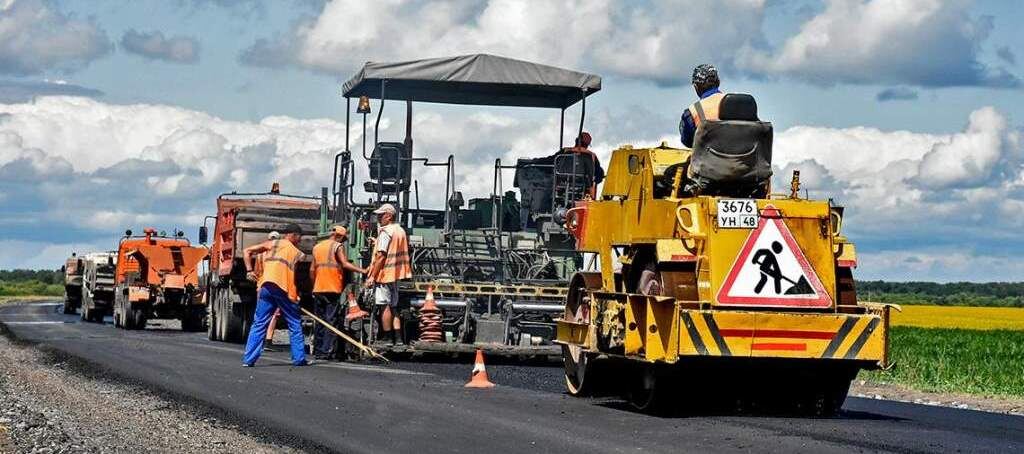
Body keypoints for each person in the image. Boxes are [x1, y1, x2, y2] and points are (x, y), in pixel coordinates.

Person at [241, 223, 308, 367]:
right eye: (299, 237)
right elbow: (294, 278)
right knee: (294, 321)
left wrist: (249, 270)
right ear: (293, 235)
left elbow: (246, 251)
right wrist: (294, 297)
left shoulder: (271, 244)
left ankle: (248, 360)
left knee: (259, 323)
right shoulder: (297, 253)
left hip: (266, 286)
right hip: (281, 288)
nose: (300, 240)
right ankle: (299, 358)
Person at [310, 225, 367, 360]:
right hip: (332, 288)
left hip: (318, 288)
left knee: (320, 320)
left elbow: (312, 270)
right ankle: (327, 351)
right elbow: (345, 264)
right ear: (340, 236)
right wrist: (363, 271)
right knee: (331, 320)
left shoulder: (317, 247)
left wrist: (314, 286)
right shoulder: (337, 246)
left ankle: (318, 350)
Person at [364, 203, 412, 345]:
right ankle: (398, 339)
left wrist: (372, 276)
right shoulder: (400, 230)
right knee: (393, 306)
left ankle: (387, 337)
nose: (378, 218)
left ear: (389, 216)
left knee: (383, 305)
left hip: (384, 275)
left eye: (381, 215)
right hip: (396, 274)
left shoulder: (385, 232)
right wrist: (377, 241)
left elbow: (381, 256)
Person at [679, 64, 726, 148]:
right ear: (718, 82)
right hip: (743, 159)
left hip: (709, 160)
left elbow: (687, 141)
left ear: (696, 87)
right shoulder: (738, 103)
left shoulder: (693, 111)